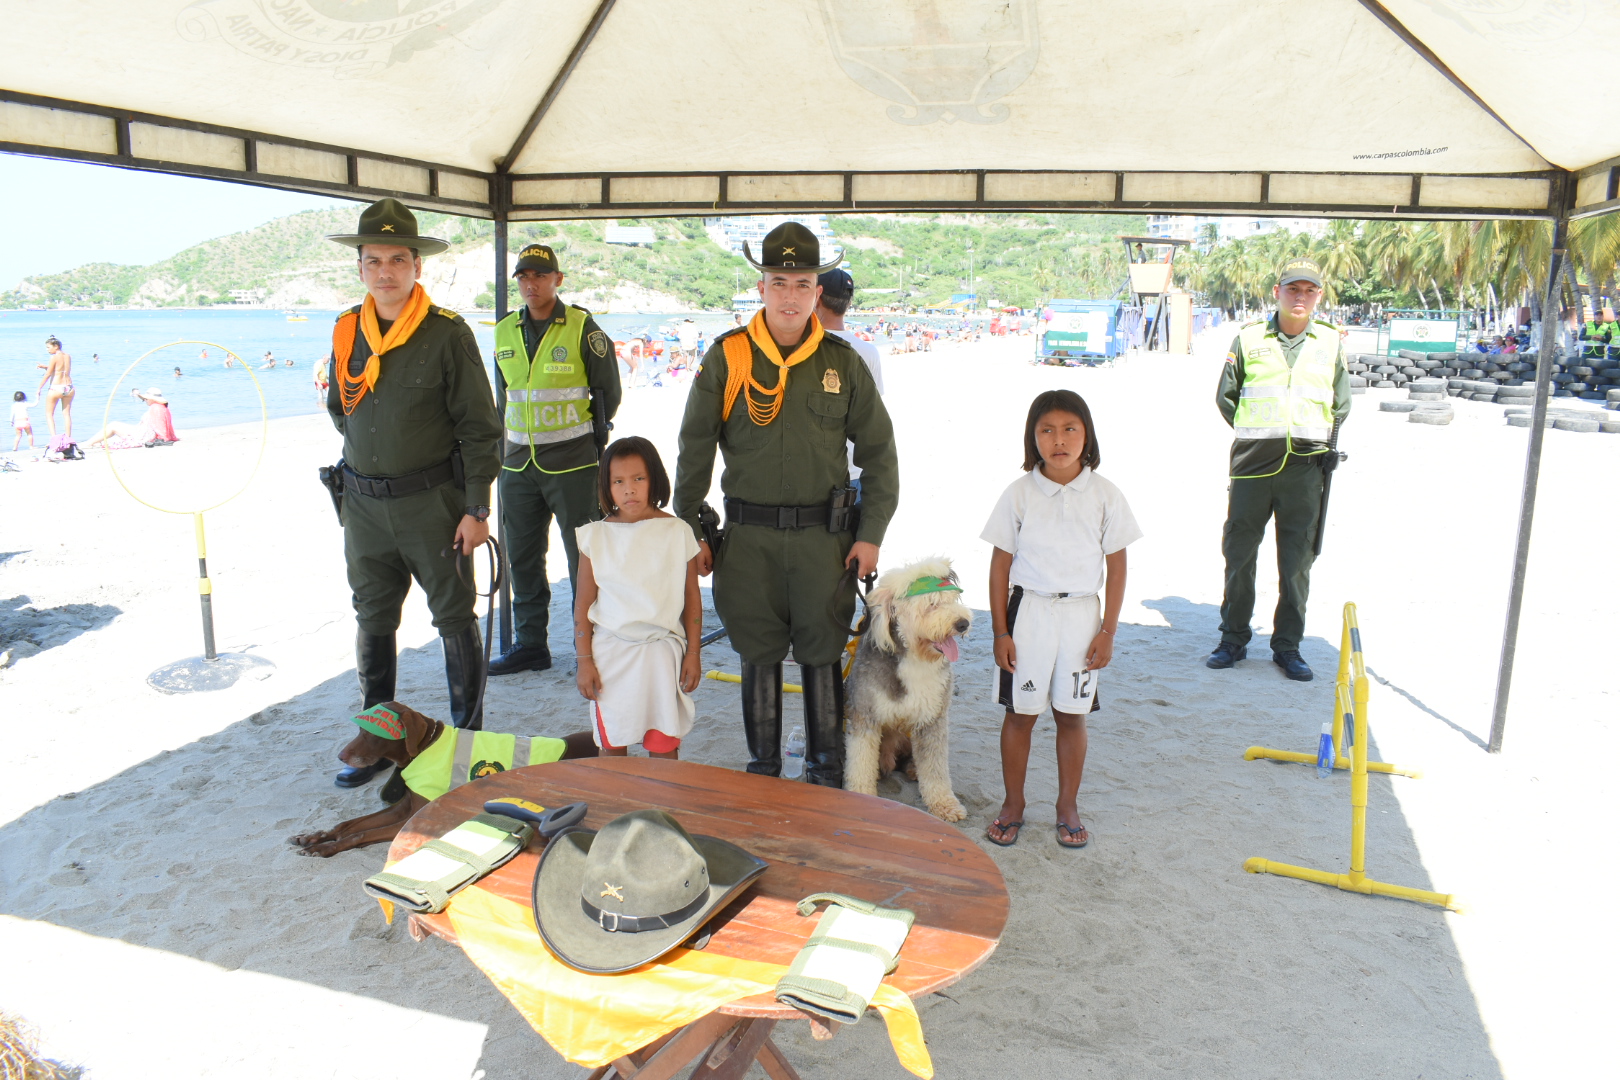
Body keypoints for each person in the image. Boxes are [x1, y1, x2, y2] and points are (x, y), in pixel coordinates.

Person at [673, 221, 899, 787]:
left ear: (818, 290)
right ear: (762, 288)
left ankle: (824, 773)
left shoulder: (843, 363)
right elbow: (693, 448)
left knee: (822, 651)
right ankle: (764, 771)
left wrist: (869, 533)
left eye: (802, 284)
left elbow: (880, 455)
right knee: (757, 650)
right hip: (748, 541)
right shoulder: (728, 358)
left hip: (825, 541)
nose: (791, 296)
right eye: (779, 282)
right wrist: (692, 528)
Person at [322, 198, 502, 797]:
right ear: (360, 267)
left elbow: (480, 427)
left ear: (416, 266)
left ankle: (465, 741)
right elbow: (338, 409)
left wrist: (476, 508)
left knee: (453, 618)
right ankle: (379, 742)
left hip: (433, 506)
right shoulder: (348, 329)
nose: (385, 273)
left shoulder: (446, 334)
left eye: (398, 260)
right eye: (373, 261)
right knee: (372, 619)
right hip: (364, 508)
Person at [982, 390, 1140, 849]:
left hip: (1081, 616)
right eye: (1047, 429)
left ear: (1086, 435)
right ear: (1033, 438)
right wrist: (1000, 631)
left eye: (1070, 428)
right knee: (1021, 715)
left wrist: (1108, 629)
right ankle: (1014, 804)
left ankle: (1067, 805)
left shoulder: (1106, 494)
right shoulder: (1019, 493)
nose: (1059, 439)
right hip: (1028, 611)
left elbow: (1118, 565)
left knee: (1072, 716)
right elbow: (999, 565)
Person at [1206, 257, 1350, 682]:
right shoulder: (1248, 338)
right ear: (1277, 292)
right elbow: (1226, 397)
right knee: (1239, 554)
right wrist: (1257, 433)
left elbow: (1341, 405)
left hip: (1306, 469)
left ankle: (1287, 646)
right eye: (1293, 289)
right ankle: (1233, 638)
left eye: (1309, 290)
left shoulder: (1330, 342)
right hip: (1252, 466)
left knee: (1296, 562)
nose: (1300, 296)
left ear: (1319, 296)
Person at [486, 243, 622, 676]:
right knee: (523, 558)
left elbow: (608, 393)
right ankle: (531, 645)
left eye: (540, 276)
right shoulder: (504, 330)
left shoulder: (583, 327)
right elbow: (500, 397)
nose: (531, 283)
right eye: (524, 276)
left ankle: (595, 642)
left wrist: (591, 440)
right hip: (516, 466)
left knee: (583, 559)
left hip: (573, 465)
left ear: (557, 280)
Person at [573, 436, 702, 759]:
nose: (629, 489)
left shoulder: (678, 531)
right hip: (611, 655)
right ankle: (616, 809)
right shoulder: (595, 537)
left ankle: (660, 811)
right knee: (613, 743)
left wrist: (693, 654)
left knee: (662, 743)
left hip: (661, 653)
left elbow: (691, 598)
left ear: (654, 479)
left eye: (638, 479)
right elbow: (583, 605)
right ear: (607, 485)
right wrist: (584, 661)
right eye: (618, 481)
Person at [815, 267, 886, 486]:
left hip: (816, 471)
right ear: (848, 303)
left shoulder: (806, 349)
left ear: (816, 296)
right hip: (856, 470)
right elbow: (873, 417)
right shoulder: (869, 351)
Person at [84, 388, 178, 448]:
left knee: (113, 425)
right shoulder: (162, 407)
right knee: (114, 424)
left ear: (151, 399)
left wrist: (163, 438)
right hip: (144, 432)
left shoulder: (156, 408)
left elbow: (160, 426)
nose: (145, 400)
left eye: (146, 399)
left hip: (144, 435)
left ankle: (88, 443)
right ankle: (92, 442)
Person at [37, 336, 74, 440]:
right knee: (66, 414)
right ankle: (68, 438)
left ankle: (54, 438)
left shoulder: (53, 357)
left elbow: (48, 374)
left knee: (49, 414)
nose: (47, 350)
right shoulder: (68, 356)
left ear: (56, 346)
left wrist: (39, 388)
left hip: (56, 387)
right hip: (69, 387)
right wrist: (45, 367)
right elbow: (60, 369)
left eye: (48, 347)